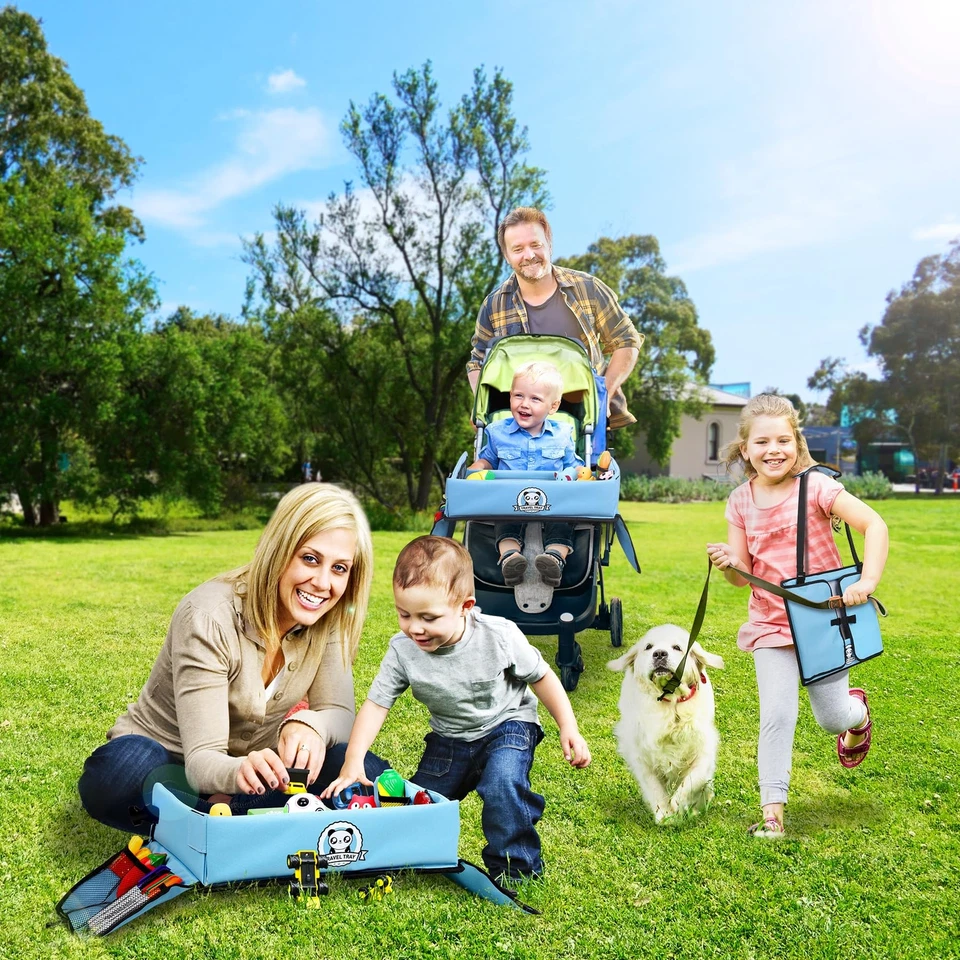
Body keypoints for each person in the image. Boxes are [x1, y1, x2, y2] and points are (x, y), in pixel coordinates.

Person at [78, 483, 389, 831]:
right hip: (173, 762)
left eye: (340, 569)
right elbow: (201, 760)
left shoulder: (326, 617)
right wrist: (238, 773)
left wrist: (312, 725)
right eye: (310, 559)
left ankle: (222, 818)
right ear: (279, 550)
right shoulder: (208, 615)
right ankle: (244, 814)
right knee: (120, 773)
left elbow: (341, 714)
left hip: (257, 771)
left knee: (368, 772)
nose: (322, 582)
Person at [321, 536, 591, 882]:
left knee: (502, 783)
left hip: (507, 725)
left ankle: (516, 867)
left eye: (429, 617)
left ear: (465, 606)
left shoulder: (500, 636)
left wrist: (568, 727)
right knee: (420, 802)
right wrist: (353, 761)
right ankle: (410, 854)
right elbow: (376, 704)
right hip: (449, 739)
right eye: (404, 614)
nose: (415, 627)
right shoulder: (403, 650)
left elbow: (543, 678)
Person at [706, 395, 889, 839]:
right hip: (770, 624)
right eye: (763, 441)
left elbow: (875, 526)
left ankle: (857, 714)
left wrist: (866, 582)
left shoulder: (818, 488)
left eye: (784, 440)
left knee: (831, 719)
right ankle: (773, 814)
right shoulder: (740, 502)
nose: (774, 450)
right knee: (777, 715)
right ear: (745, 448)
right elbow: (743, 579)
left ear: (797, 442)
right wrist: (732, 564)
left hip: (822, 620)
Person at [467, 206, 643, 431]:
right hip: (515, 427)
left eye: (535, 245)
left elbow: (626, 340)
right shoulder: (494, 305)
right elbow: (477, 361)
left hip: (583, 424)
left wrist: (603, 396)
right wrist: (480, 405)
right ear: (507, 256)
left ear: (549, 243)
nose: (529, 255)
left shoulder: (588, 289)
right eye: (518, 249)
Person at [467, 360, 581, 587]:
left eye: (535, 399)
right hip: (508, 500)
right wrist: (477, 468)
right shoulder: (498, 432)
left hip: (553, 501)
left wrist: (577, 475)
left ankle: (554, 558)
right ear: (510, 396)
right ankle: (510, 558)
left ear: (553, 406)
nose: (524, 404)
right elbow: (488, 459)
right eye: (518, 395)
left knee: (564, 521)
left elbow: (573, 464)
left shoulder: (562, 434)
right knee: (504, 521)